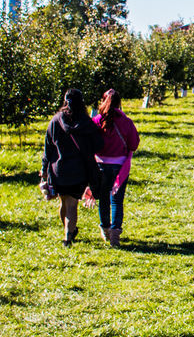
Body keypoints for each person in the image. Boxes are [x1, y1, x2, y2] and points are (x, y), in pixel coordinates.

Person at [41, 89, 104, 247]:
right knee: (72, 204)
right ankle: (68, 237)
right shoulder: (86, 123)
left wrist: (44, 169)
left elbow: (48, 148)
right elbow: (98, 145)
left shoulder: (55, 121)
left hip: (59, 169)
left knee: (64, 202)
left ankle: (68, 230)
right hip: (79, 170)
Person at [92, 88, 140, 248]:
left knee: (103, 198)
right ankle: (115, 232)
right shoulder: (126, 122)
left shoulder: (97, 121)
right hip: (119, 167)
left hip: (100, 165)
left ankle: (105, 229)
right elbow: (134, 144)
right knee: (117, 201)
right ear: (120, 103)